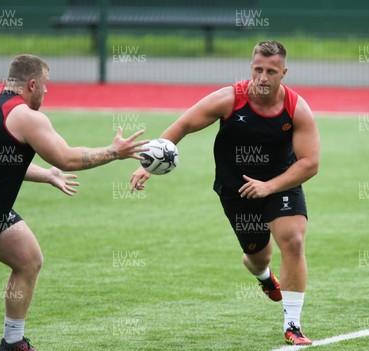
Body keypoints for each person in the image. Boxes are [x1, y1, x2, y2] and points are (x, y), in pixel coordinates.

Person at [130, 41, 319, 345]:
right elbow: (184, 125)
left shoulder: (296, 109)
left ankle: (292, 325)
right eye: (258, 69)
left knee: (293, 241)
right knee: (258, 256)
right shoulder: (230, 99)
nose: (263, 76)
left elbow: (310, 163)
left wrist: (269, 186)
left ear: (284, 72)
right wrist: (147, 165)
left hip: (280, 183)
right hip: (236, 191)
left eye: (271, 71)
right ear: (251, 68)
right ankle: (264, 277)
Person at [0, 54, 148, 351]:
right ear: (32, 84)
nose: (47, 91)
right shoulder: (25, 116)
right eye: (45, 85)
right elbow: (67, 157)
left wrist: (47, 175)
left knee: (28, 258)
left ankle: (12, 342)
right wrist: (114, 152)